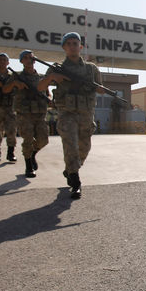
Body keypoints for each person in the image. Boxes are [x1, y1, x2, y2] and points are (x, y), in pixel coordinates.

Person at [38, 32, 103, 199]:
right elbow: (39, 87)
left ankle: (70, 169)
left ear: (80, 47)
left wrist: (98, 87)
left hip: (86, 114)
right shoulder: (57, 68)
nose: (73, 46)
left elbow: (100, 88)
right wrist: (52, 77)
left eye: (75, 43)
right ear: (64, 47)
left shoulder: (91, 69)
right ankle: (75, 181)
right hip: (67, 113)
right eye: (69, 43)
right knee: (70, 146)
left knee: (84, 148)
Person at [4, 50, 49, 178]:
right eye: (25, 58)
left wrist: (50, 100)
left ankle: (32, 154)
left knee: (43, 140)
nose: (29, 59)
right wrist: (14, 83)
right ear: (21, 61)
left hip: (40, 113)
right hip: (24, 113)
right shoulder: (17, 76)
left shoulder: (41, 77)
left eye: (31, 57)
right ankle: (28, 165)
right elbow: (5, 89)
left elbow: (47, 92)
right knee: (28, 139)